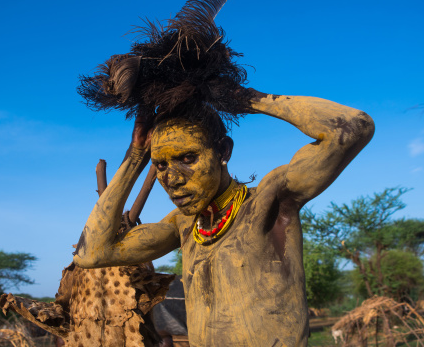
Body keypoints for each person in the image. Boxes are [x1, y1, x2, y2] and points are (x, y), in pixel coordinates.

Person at [73, 90, 375, 346]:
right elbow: (92, 253)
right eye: (161, 165)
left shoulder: (270, 200)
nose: (172, 178)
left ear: (223, 151)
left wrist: (246, 98)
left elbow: (354, 126)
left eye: (188, 158)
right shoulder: (182, 225)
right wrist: (136, 155)